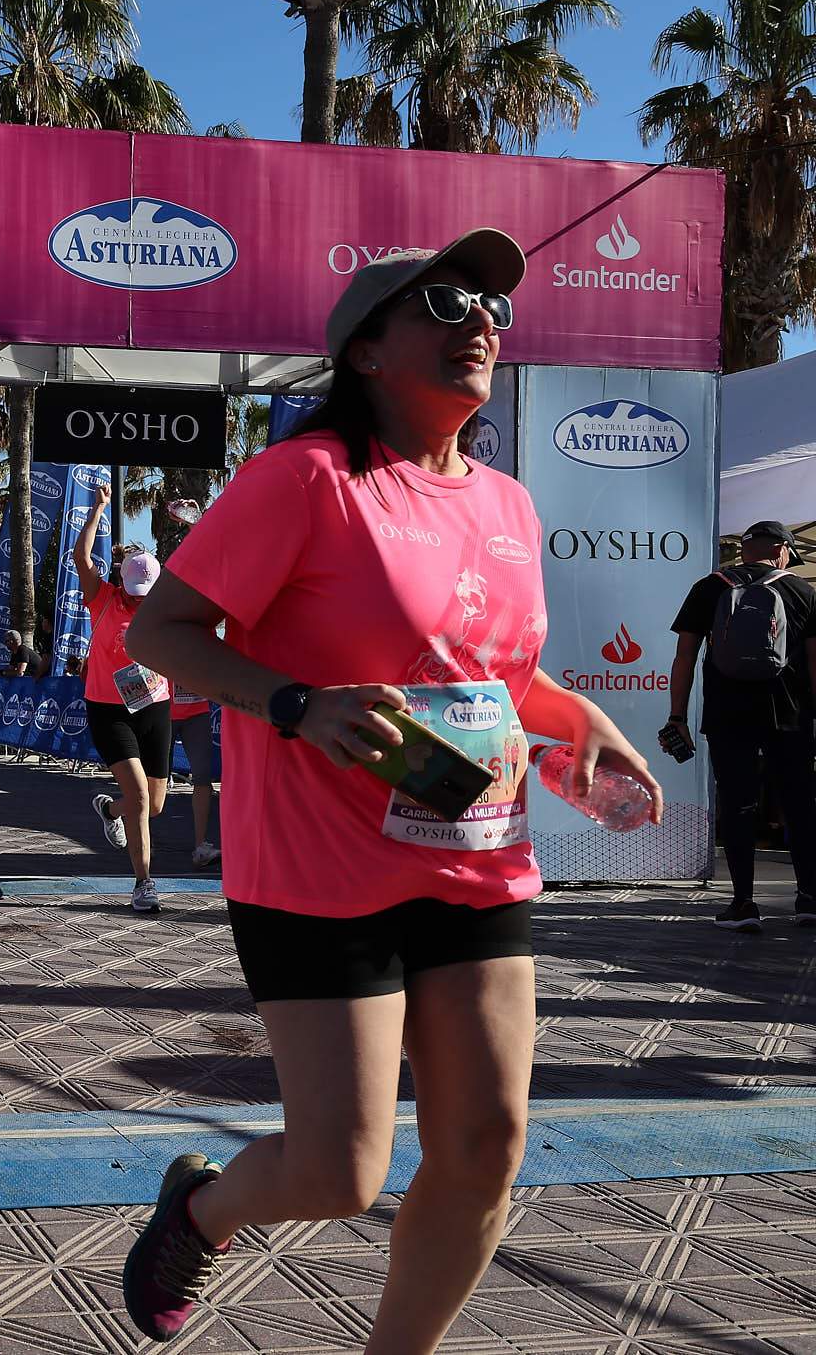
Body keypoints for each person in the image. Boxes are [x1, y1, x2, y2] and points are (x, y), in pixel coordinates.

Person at [118, 230, 661, 1350]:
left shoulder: (506, 504)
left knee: (482, 1147)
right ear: (362, 350)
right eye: (444, 301)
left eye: (492, 308)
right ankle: (200, 1209)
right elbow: (161, 631)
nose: (480, 322)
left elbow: (497, 676)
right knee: (337, 1171)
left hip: (474, 858)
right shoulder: (304, 478)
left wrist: (582, 725)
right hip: (318, 871)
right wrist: (293, 704)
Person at [667, 519, 816, 929]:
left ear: (744, 550)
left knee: (737, 804)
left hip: (727, 714)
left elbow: (684, 658)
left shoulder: (708, 587)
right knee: (799, 803)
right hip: (790, 715)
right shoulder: (802, 590)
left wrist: (677, 716)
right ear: (784, 550)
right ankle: (808, 898)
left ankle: (743, 904)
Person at [76, 492, 172, 912]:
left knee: (152, 805)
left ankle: (109, 809)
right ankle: (143, 882)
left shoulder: (166, 604)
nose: (138, 599)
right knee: (137, 796)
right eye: (134, 591)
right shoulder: (105, 598)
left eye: (144, 593)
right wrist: (97, 510)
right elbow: (82, 558)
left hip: (154, 705)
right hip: (108, 709)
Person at [171, 690, 222, 867]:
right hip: (162, 710)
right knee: (156, 781)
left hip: (197, 709)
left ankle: (201, 846)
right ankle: (146, 838)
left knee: (203, 777)